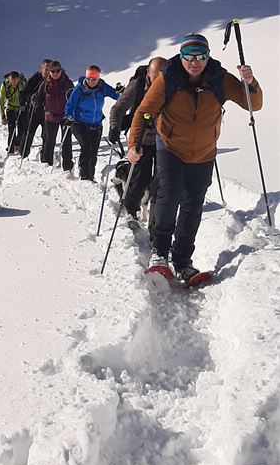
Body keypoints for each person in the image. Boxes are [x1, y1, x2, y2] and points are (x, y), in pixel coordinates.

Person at [127, 33, 263, 282]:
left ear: (208, 56)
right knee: (168, 195)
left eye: (201, 56)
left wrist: (250, 83)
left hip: (203, 153)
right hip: (170, 147)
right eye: (188, 56)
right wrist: (133, 143)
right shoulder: (168, 77)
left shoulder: (219, 78)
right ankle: (159, 253)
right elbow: (144, 111)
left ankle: (182, 261)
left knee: (192, 205)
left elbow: (253, 104)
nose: (194, 61)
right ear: (181, 56)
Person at [108, 57, 167, 219]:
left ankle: (157, 217)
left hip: (164, 138)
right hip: (142, 136)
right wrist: (114, 126)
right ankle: (131, 209)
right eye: (155, 78)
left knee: (162, 179)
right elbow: (119, 107)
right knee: (140, 178)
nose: (158, 83)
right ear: (148, 73)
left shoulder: (171, 83)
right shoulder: (138, 85)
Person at [64, 65, 119, 180]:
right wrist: (68, 116)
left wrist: (122, 92)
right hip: (79, 123)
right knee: (86, 147)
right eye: (89, 78)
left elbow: (116, 95)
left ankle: (91, 175)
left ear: (98, 78)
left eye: (94, 79)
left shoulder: (102, 87)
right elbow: (70, 105)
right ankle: (84, 175)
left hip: (96, 124)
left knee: (93, 151)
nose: (91, 81)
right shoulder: (79, 89)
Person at [35, 61, 75, 171]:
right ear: (49, 72)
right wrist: (35, 100)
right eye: (53, 71)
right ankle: (47, 164)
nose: (56, 73)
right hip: (50, 116)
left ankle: (67, 167)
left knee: (66, 141)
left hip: (65, 116)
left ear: (61, 71)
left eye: (58, 70)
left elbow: (75, 98)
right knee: (49, 141)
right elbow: (39, 97)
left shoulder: (67, 83)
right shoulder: (45, 84)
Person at [19, 59, 52, 158]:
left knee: (46, 136)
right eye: (46, 69)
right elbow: (24, 94)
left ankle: (45, 157)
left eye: (49, 69)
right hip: (33, 111)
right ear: (41, 69)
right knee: (29, 133)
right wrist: (31, 98)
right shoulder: (35, 79)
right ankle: (23, 154)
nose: (47, 71)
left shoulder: (53, 80)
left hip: (47, 112)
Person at [0, 71, 27, 154]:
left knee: (22, 130)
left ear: (18, 79)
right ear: (9, 79)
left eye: (15, 81)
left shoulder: (23, 84)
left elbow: (28, 94)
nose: (13, 83)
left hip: (21, 109)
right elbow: (1, 100)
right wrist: (3, 116)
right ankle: (10, 150)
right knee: (11, 130)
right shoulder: (5, 85)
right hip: (10, 108)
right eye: (12, 81)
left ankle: (17, 144)